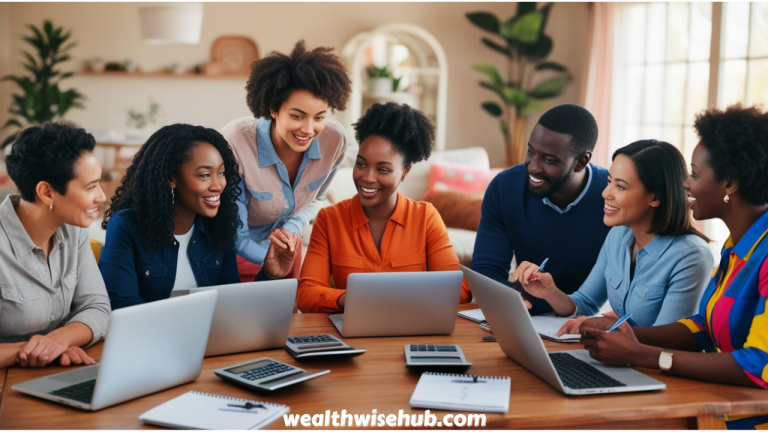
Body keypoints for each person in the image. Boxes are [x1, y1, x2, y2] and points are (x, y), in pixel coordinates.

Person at [578, 105, 768, 429]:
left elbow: (759, 366)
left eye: (694, 174)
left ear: (730, 184)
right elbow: (702, 327)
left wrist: (641, 355)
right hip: (715, 404)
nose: (687, 186)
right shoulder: (737, 246)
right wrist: (624, 336)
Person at [513, 140, 713, 333]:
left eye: (621, 186)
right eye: (609, 182)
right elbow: (585, 303)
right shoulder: (618, 235)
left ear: (655, 197)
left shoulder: (691, 256)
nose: (605, 193)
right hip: (618, 357)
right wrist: (550, 292)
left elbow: (667, 338)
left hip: (653, 365)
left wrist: (606, 326)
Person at [296, 102, 472, 312]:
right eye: (361, 164)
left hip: (411, 332)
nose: (367, 178)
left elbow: (460, 291)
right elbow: (307, 294)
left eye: (383, 170)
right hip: (353, 331)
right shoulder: (330, 219)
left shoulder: (425, 217)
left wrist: (394, 298)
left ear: (405, 172)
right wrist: (352, 298)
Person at [100, 124, 297, 310]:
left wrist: (270, 274)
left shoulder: (219, 226)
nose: (218, 185)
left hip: (208, 343)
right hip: (150, 342)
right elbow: (122, 304)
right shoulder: (126, 225)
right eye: (204, 175)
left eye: (221, 173)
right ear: (171, 178)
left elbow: (231, 308)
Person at [222, 39, 352, 283]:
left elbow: (318, 199)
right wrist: (269, 255)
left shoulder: (334, 141)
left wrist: (291, 230)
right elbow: (233, 232)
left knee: (287, 319)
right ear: (273, 109)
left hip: (288, 252)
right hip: (236, 253)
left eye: (319, 117)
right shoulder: (236, 142)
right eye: (297, 116)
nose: (308, 129)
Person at [472, 103, 611, 314]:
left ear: (581, 162)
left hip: (582, 318)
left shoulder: (612, 197)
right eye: (531, 151)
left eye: (549, 160)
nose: (533, 166)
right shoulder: (505, 187)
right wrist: (520, 298)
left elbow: (602, 295)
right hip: (529, 315)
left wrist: (542, 300)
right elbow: (486, 271)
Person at [0, 123, 111, 369]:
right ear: (47, 192)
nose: (102, 197)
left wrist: (61, 339)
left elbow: (97, 306)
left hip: (58, 371)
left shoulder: (75, 230)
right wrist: (33, 349)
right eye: (90, 187)